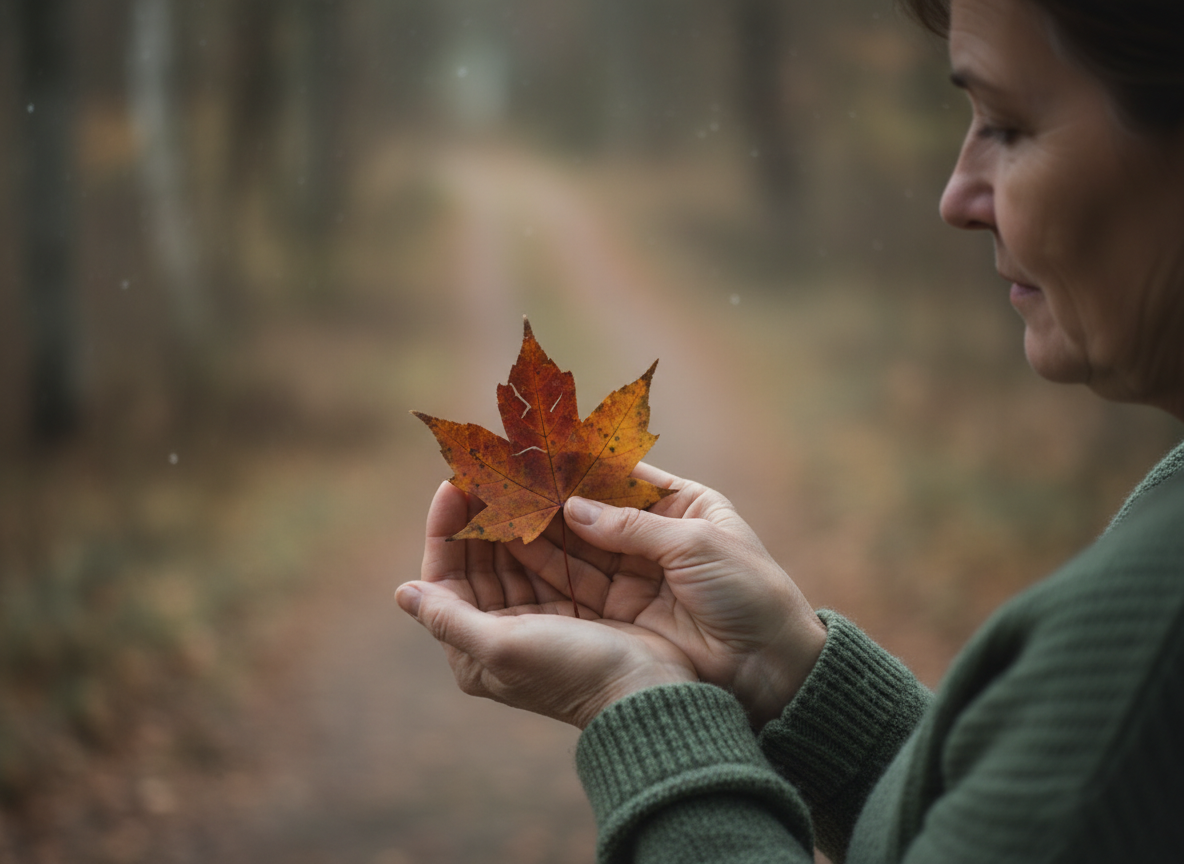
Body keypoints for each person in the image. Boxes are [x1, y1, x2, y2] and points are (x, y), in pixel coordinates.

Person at [395, 0, 1184, 860]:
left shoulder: (1153, 650)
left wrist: (640, 709)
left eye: (1005, 124)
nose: (957, 196)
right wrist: (789, 676)